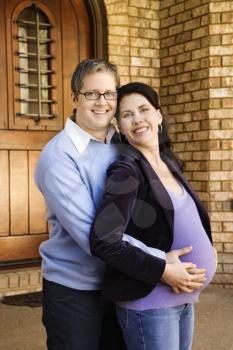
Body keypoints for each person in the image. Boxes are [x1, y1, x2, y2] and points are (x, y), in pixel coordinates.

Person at [35, 59, 207, 349]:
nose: (102, 102)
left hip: (125, 281)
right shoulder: (58, 157)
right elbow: (96, 237)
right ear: (75, 97)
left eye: (110, 93)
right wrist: (161, 262)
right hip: (76, 290)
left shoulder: (122, 142)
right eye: (92, 94)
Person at [90, 82, 217, 350]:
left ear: (159, 116)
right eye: (127, 114)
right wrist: (163, 272)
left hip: (180, 300)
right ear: (120, 128)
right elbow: (104, 241)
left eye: (144, 109)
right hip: (150, 302)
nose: (137, 119)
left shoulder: (168, 163)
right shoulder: (127, 171)